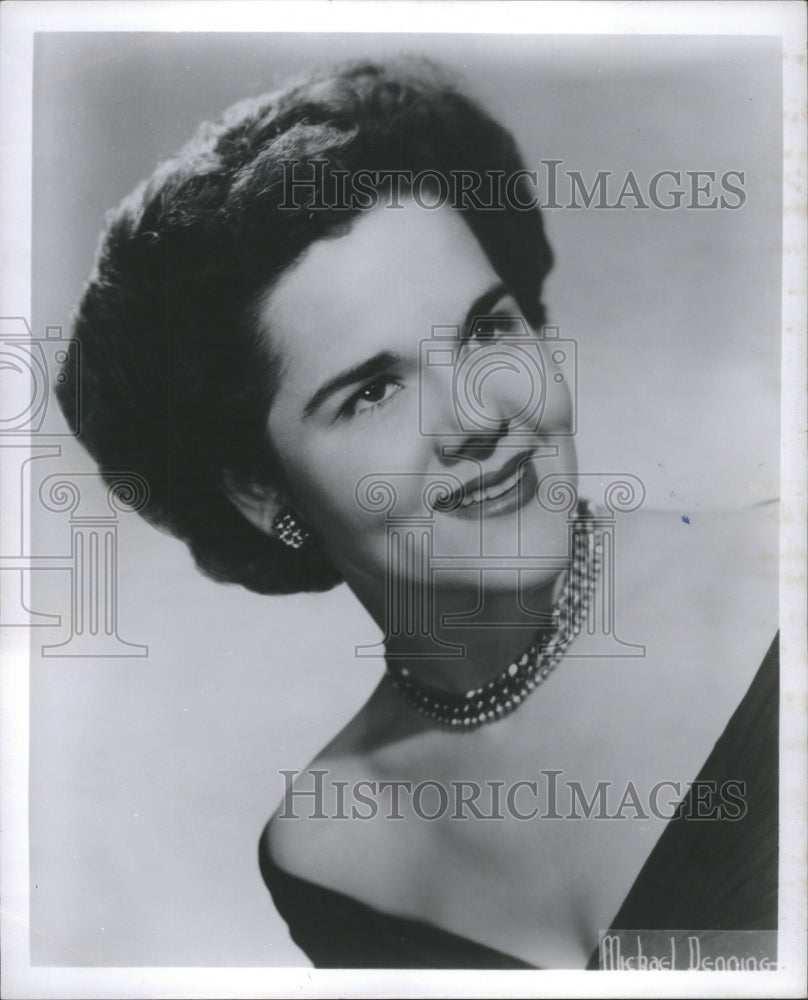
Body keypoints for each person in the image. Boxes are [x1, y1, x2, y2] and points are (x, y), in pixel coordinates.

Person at [57, 58, 779, 969]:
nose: (478, 414)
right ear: (262, 490)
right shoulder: (330, 848)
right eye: (373, 391)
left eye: (485, 330)